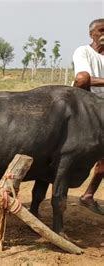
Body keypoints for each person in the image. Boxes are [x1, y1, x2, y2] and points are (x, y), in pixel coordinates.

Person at [73, 18, 104, 215]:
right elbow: (82, 79)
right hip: (82, 106)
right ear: (91, 33)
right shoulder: (83, 51)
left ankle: (88, 195)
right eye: (101, 30)